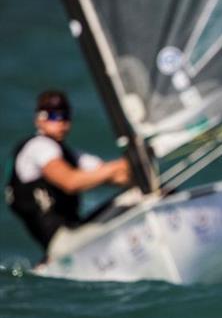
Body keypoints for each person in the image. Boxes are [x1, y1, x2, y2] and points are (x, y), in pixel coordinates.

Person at [5, 90, 130, 252]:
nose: (61, 122)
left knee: (136, 197)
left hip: (74, 232)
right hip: (62, 243)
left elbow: (115, 175)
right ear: (39, 120)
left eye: (65, 116)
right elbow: (70, 182)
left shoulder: (71, 155)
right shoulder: (38, 147)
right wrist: (119, 165)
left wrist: (134, 170)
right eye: (53, 116)